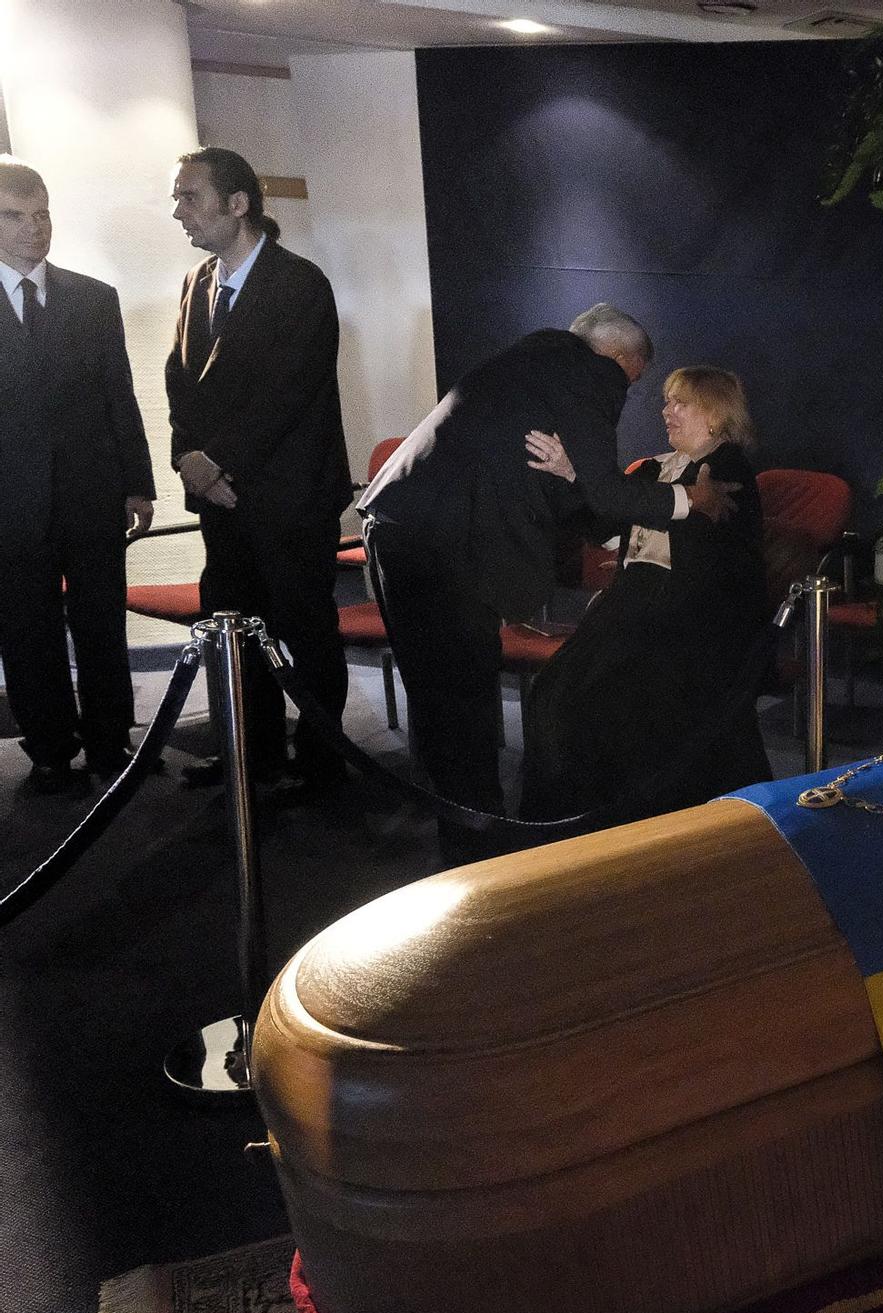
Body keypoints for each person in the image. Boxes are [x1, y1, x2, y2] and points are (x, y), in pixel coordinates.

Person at [356, 306, 738, 860]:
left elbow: (577, 494)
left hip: (397, 529)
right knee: (463, 705)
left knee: (440, 702)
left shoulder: (526, 365)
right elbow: (608, 497)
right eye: (639, 386)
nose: (646, 404)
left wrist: (574, 475)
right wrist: (690, 500)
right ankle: (477, 849)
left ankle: (457, 831)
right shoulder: (590, 374)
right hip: (450, 552)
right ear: (625, 362)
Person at [165, 146, 350, 798]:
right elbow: (181, 387)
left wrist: (218, 462)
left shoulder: (300, 284)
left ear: (237, 203)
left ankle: (324, 762)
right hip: (222, 500)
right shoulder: (197, 284)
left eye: (190, 196)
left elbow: (288, 391)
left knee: (304, 632)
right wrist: (188, 459)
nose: (179, 211)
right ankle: (254, 753)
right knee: (236, 634)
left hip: (289, 499)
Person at [517, 366, 769, 824]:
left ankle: (619, 819)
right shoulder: (655, 467)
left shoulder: (728, 468)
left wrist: (625, 503)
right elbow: (606, 521)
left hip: (690, 616)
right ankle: (572, 819)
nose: (666, 411)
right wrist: (573, 476)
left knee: (610, 700)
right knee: (556, 692)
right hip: (633, 604)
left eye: (680, 403)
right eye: (666, 401)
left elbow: (719, 557)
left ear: (714, 414)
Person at [0, 158, 155, 793]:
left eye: (41, 215)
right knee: (25, 628)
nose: (33, 230)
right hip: (10, 502)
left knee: (100, 623)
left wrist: (139, 482)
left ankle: (110, 740)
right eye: (14, 218)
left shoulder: (95, 298)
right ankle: (48, 749)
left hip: (92, 493)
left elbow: (121, 396)